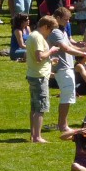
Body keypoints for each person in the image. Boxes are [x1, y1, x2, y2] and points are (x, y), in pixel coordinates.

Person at [27, 15, 58, 143]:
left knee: (34, 107)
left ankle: (33, 134)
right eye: (50, 30)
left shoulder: (32, 35)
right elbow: (39, 56)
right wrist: (51, 51)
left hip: (34, 74)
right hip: (39, 77)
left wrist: (50, 61)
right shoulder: (38, 37)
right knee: (41, 108)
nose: (50, 34)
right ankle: (37, 136)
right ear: (46, 27)